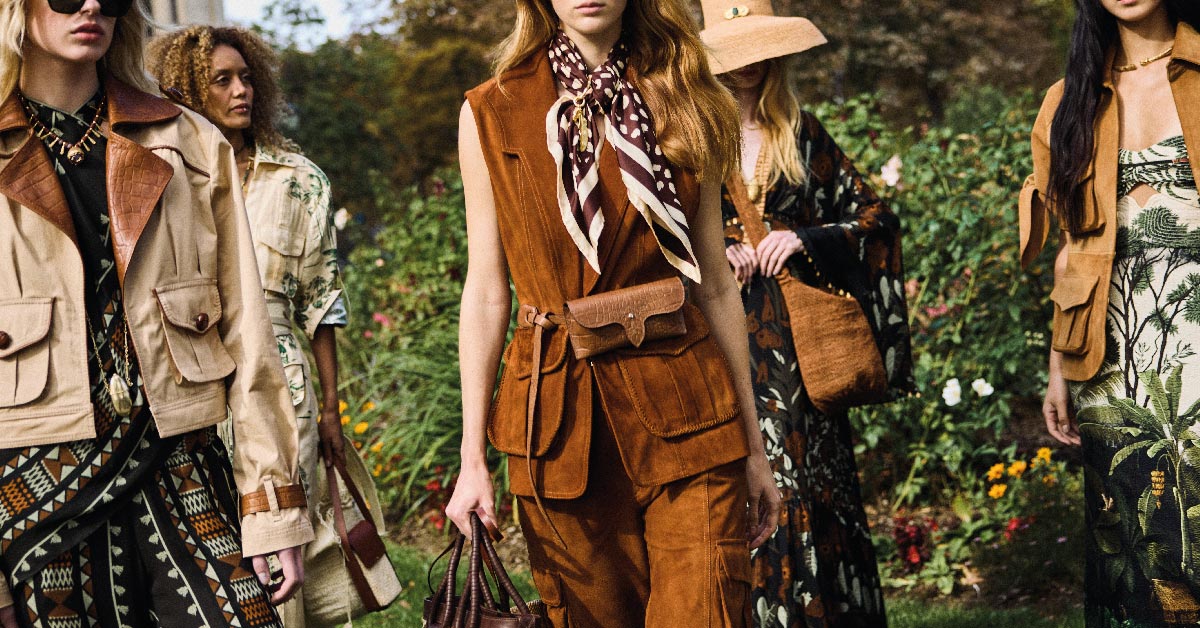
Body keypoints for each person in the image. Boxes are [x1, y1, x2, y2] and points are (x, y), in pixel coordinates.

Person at [443, 0, 781, 625]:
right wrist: (471, 463)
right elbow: (487, 290)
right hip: (557, 425)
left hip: (691, 410)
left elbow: (715, 284)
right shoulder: (490, 111)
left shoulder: (692, 98)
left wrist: (755, 449)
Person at [0, 1, 314, 626]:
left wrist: (271, 507)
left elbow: (249, 333)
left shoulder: (189, 140)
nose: (92, 5)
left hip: (179, 460)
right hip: (37, 486)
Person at [700, 1, 911, 626]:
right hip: (723, 338)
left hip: (800, 347)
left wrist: (804, 239)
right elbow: (657, 234)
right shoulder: (688, 138)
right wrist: (718, 253)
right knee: (739, 480)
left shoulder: (802, 133)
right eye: (734, 52)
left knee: (807, 484)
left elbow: (876, 220)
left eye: (759, 50)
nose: (747, 66)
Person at [148, 26, 350, 628]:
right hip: (193, 382)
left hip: (285, 387)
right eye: (222, 80)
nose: (242, 90)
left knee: (283, 540)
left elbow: (322, 302)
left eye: (247, 77)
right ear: (188, 88)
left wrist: (333, 410)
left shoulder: (298, 180)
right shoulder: (164, 176)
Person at [1021, 0, 1200, 624]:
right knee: (1123, 532)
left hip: (1194, 338)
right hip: (1109, 352)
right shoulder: (1067, 100)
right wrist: (1058, 368)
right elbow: (1071, 250)